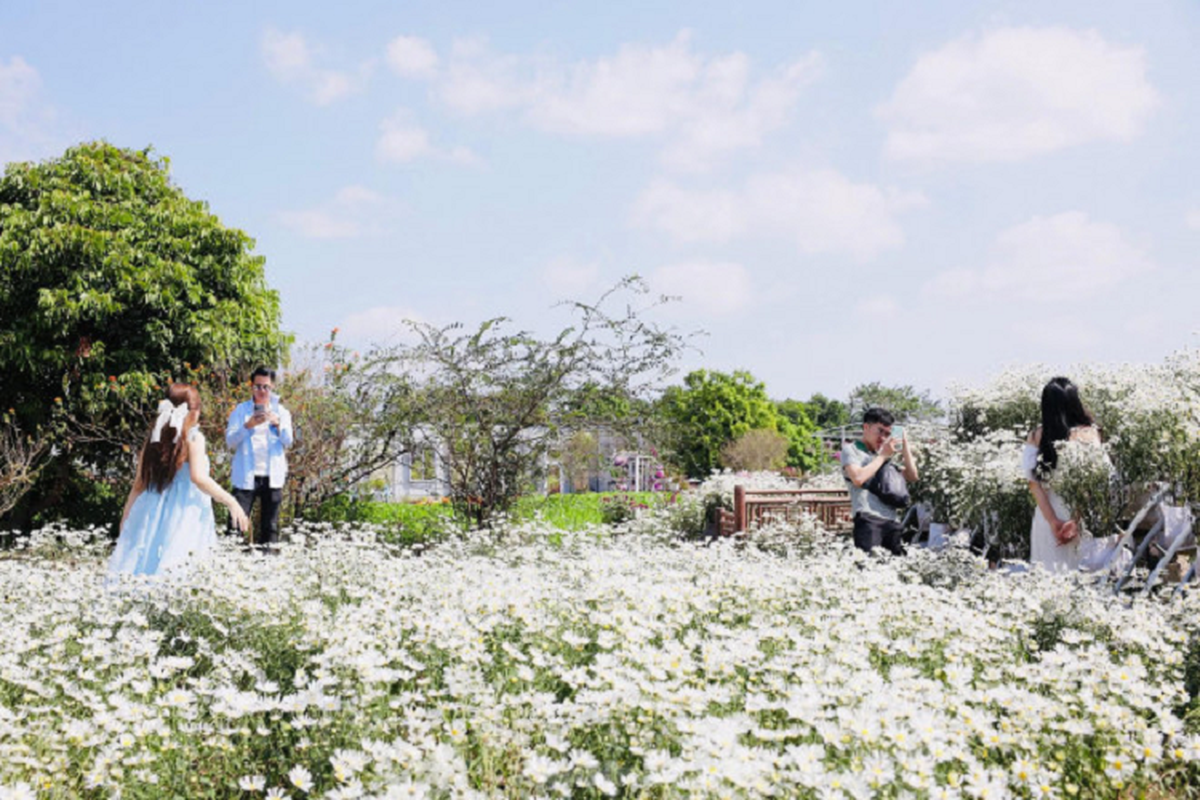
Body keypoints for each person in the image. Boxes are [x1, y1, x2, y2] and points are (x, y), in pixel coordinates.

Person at [109, 383, 249, 579]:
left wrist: (126, 519)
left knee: (146, 563)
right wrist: (231, 501)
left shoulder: (153, 438)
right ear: (193, 412)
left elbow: (139, 484)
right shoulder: (194, 437)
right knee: (180, 565)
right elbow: (199, 478)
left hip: (151, 510)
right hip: (184, 511)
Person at [1022, 376, 1100, 571]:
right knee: (1080, 577)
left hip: (1046, 512)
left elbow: (1033, 483)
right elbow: (1091, 482)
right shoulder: (1089, 434)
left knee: (1047, 576)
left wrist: (1052, 521)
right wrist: (1075, 520)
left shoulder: (1035, 435)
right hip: (1079, 512)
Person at [225, 367, 294, 551]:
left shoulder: (282, 412)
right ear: (251, 387)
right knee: (236, 523)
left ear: (272, 387)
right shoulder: (241, 411)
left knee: (270, 526)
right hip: (246, 476)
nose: (262, 392)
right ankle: (230, 562)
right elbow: (230, 442)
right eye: (257, 387)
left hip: (272, 477)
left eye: (266, 387)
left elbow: (289, 441)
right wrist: (247, 426)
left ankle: (267, 567)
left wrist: (277, 424)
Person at [842, 407, 919, 554]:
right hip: (868, 519)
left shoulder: (884, 453)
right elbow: (858, 478)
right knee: (870, 569)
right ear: (866, 427)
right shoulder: (851, 450)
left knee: (894, 570)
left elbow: (912, 476)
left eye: (887, 433)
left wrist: (904, 445)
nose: (883, 437)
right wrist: (883, 456)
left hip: (892, 521)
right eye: (880, 431)